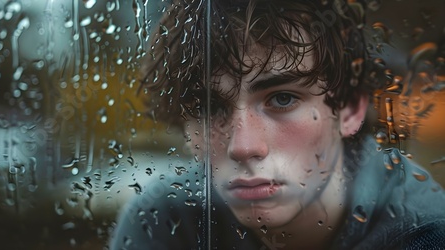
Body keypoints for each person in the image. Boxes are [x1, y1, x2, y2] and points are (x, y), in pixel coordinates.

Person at [109, 0, 445, 249]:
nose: (242, 146)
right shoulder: (165, 221)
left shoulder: (424, 234)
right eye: (209, 108)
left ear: (350, 109)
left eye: (282, 99)